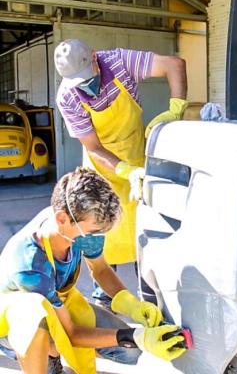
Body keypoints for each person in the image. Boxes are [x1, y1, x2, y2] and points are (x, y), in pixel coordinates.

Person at [0, 167, 186, 374]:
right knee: (36, 318)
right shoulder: (30, 268)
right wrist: (134, 336)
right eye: (94, 231)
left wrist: (131, 304)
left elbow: (100, 269)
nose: (97, 237)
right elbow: (71, 333)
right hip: (17, 321)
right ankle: (48, 356)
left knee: (129, 352)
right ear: (62, 219)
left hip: (57, 301)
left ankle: (54, 350)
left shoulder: (70, 225)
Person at [54, 39, 188, 308]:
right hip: (102, 167)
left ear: (94, 57)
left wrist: (176, 110)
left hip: (137, 155)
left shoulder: (119, 61)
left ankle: (151, 297)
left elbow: (174, 65)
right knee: (102, 233)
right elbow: (93, 147)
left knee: (144, 232)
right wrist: (125, 170)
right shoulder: (67, 96)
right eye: (77, 82)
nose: (85, 86)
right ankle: (106, 300)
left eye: (86, 78)